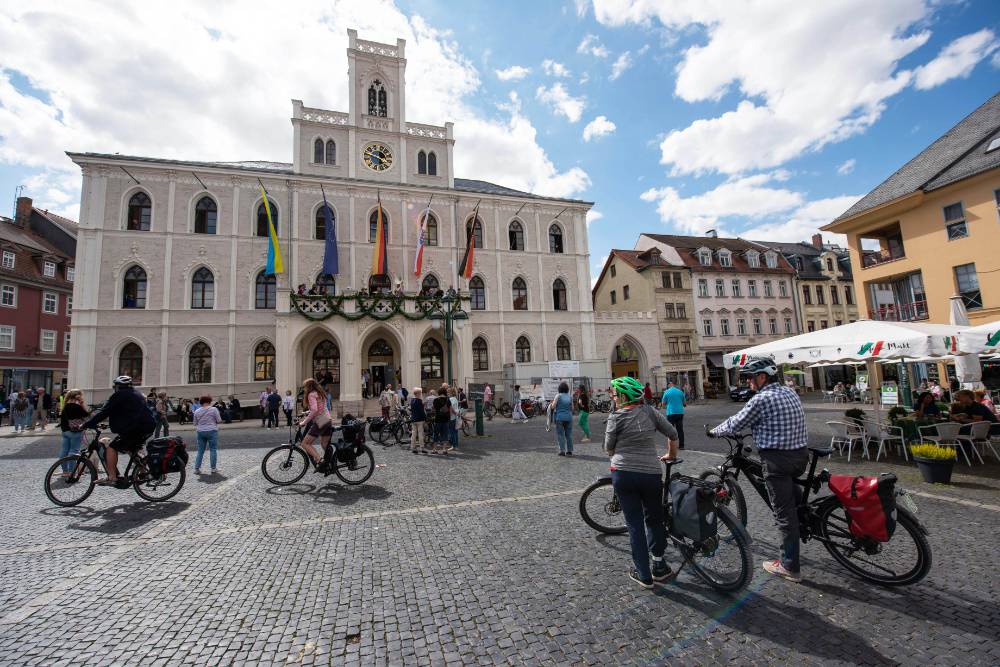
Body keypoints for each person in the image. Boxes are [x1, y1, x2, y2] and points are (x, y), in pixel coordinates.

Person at [711, 359, 808, 583]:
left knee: (783, 513)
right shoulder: (789, 392)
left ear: (762, 377)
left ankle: (789, 566)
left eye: (750, 377)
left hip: (778, 460)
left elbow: (736, 422)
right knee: (793, 499)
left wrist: (714, 432)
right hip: (800, 456)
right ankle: (804, 520)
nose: (747, 381)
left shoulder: (762, 399)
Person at [604, 375, 679, 589]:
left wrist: (618, 452)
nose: (614, 397)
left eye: (616, 394)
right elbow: (673, 434)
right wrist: (670, 455)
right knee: (654, 519)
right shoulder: (650, 412)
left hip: (624, 474)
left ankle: (643, 573)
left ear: (623, 396)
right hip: (650, 474)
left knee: (634, 523)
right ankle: (659, 565)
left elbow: (608, 447)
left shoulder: (615, 416)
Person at [79, 376, 156, 487]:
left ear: (118, 387)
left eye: (115, 386)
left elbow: (104, 412)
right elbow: (126, 413)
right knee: (130, 448)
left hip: (137, 428)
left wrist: (86, 425)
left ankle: (112, 477)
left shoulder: (119, 395)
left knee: (111, 448)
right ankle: (144, 473)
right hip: (146, 426)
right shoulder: (136, 393)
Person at [298, 378, 333, 468]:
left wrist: (304, 422)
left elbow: (315, 410)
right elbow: (320, 407)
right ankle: (331, 462)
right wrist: (306, 413)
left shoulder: (311, 395)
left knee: (305, 443)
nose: (304, 389)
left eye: (304, 387)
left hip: (320, 420)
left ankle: (320, 460)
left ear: (309, 387)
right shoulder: (320, 393)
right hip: (328, 419)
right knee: (324, 444)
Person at [58, 389, 89, 477]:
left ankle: (65, 471)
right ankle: (72, 471)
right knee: (74, 451)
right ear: (78, 396)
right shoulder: (77, 406)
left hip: (65, 431)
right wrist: (81, 403)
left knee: (64, 451)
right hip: (76, 431)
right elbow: (86, 415)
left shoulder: (65, 406)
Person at [193, 395, 221, 474]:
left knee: (200, 451)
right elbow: (219, 420)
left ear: (201, 402)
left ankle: (197, 469)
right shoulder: (214, 409)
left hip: (200, 432)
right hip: (212, 431)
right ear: (209, 401)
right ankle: (213, 468)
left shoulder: (197, 411)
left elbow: (195, 423)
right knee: (213, 449)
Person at [661, 380, 686, 450]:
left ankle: (672, 446)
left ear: (669, 385)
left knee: (670, 430)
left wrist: (668, 406)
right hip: (680, 413)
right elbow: (684, 404)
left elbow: (663, 405)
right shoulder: (680, 392)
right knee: (680, 430)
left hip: (670, 413)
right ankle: (681, 446)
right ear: (674, 385)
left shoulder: (666, 392)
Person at [551, 382, 574, 456]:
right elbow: (572, 408)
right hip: (569, 417)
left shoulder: (558, 396)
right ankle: (570, 451)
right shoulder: (570, 396)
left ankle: (562, 451)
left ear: (559, 389)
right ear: (567, 389)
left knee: (560, 435)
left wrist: (551, 405)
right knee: (569, 435)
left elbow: (553, 407)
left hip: (560, 417)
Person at [432, 387, 452, 455]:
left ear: (439, 392)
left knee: (436, 434)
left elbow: (434, 409)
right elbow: (450, 410)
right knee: (445, 434)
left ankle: (434, 449)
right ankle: (444, 449)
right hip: (446, 419)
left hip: (437, 419)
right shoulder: (448, 400)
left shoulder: (435, 400)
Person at [409, 388, 427, 454]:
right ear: (418, 394)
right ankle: (422, 448)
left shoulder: (412, 400)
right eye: (420, 393)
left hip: (413, 419)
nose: (420, 394)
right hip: (420, 419)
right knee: (420, 434)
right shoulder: (419, 401)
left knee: (413, 434)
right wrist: (425, 418)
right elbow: (421, 412)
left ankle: (413, 447)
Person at [447, 386, 461, 452]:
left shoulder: (451, 399)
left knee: (452, 432)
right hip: (455, 417)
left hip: (452, 417)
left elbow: (451, 408)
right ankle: (456, 446)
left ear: (451, 392)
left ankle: (454, 446)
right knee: (455, 432)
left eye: (448, 392)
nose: (447, 393)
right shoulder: (455, 398)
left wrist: (449, 416)